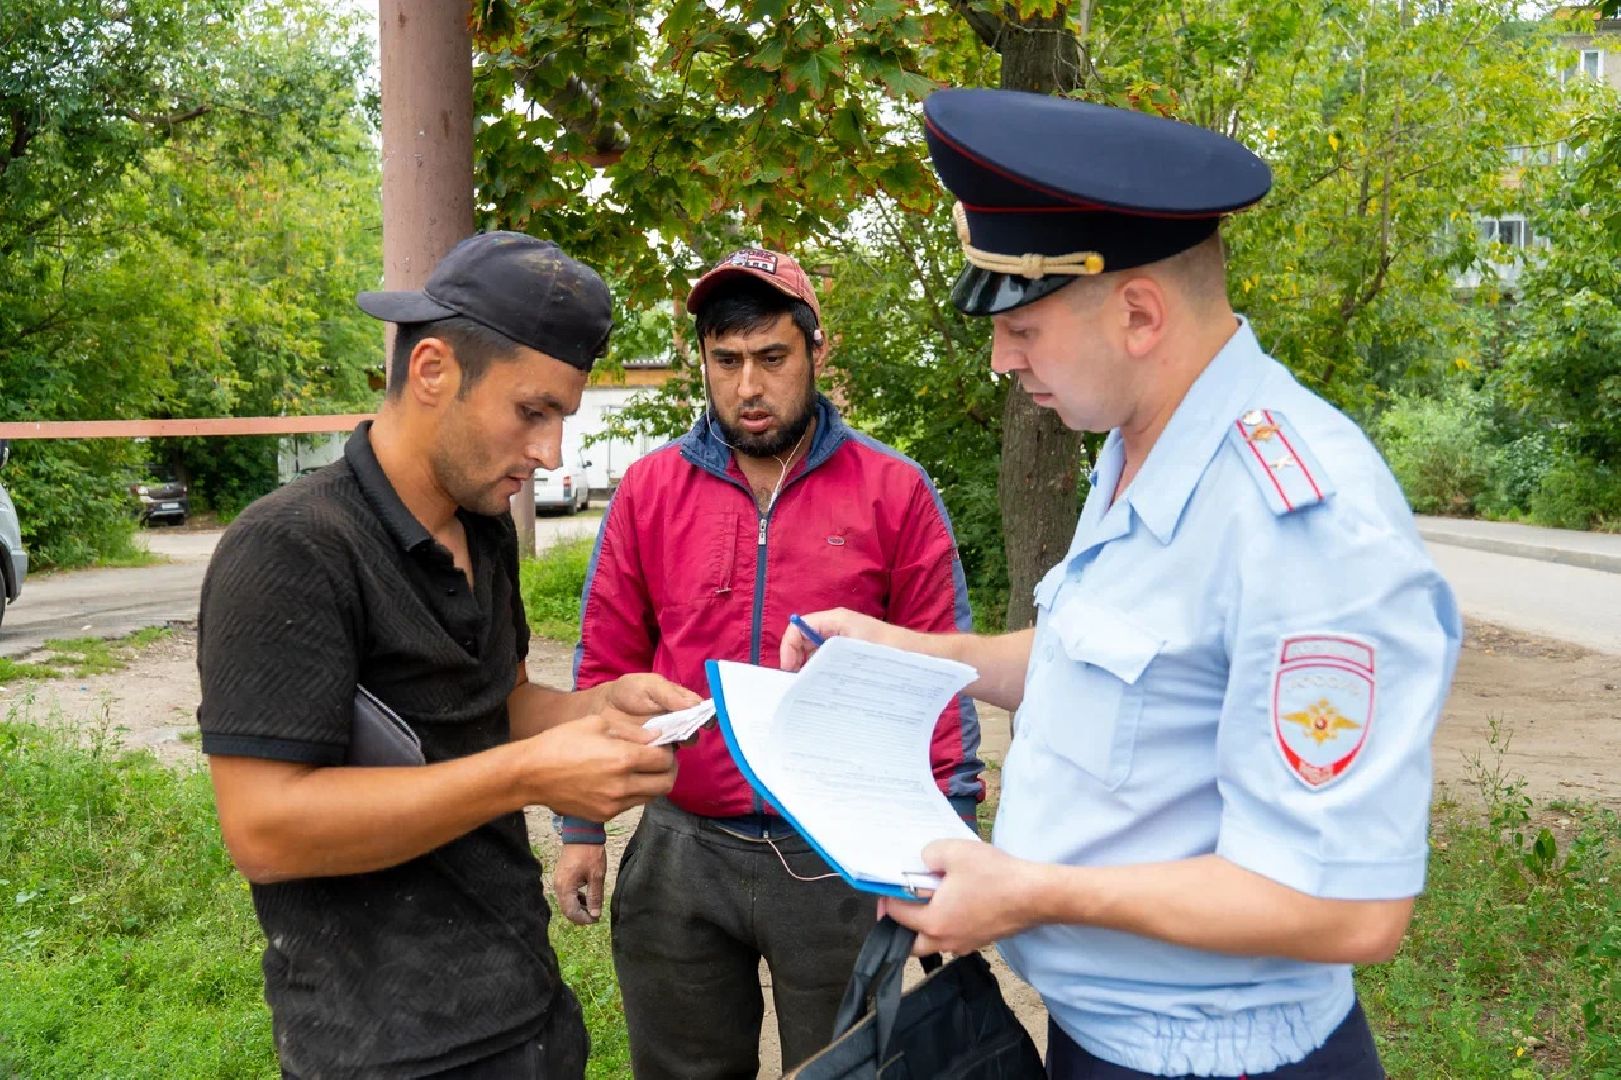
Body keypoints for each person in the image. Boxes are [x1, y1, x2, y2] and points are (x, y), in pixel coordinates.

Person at [782, 89, 1462, 1079]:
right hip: (1104, 1044)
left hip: (1221, 1062)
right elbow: (1093, 663)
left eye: (1022, 329)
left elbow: (1349, 906)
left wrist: (1030, 893)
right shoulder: (1141, 445)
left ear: (1137, 314)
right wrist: (902, 653)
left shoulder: (1304, 522)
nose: (1000, 360)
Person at [196, 231, 698, 1079]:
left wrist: (594, 709)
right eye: (531, 412)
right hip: (384, 1045)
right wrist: (532, 775)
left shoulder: (482, 524)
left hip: (525, 1007)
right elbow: (265, 829)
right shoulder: (290, 549)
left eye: (561, 420)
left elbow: (489, 706)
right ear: (431, 369)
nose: (550, 454)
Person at [552, 246, 986, 1077]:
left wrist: (953, 841)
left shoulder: (893, 491)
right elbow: (603, 666)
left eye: (772, 358)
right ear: (703, 364)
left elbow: (943, 686)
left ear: (816, 352)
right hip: (681, 847)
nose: (749, 386)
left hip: (838, 855)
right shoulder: (649, 491)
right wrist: (581, 829)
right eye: (727, 361)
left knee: (847, 1071)